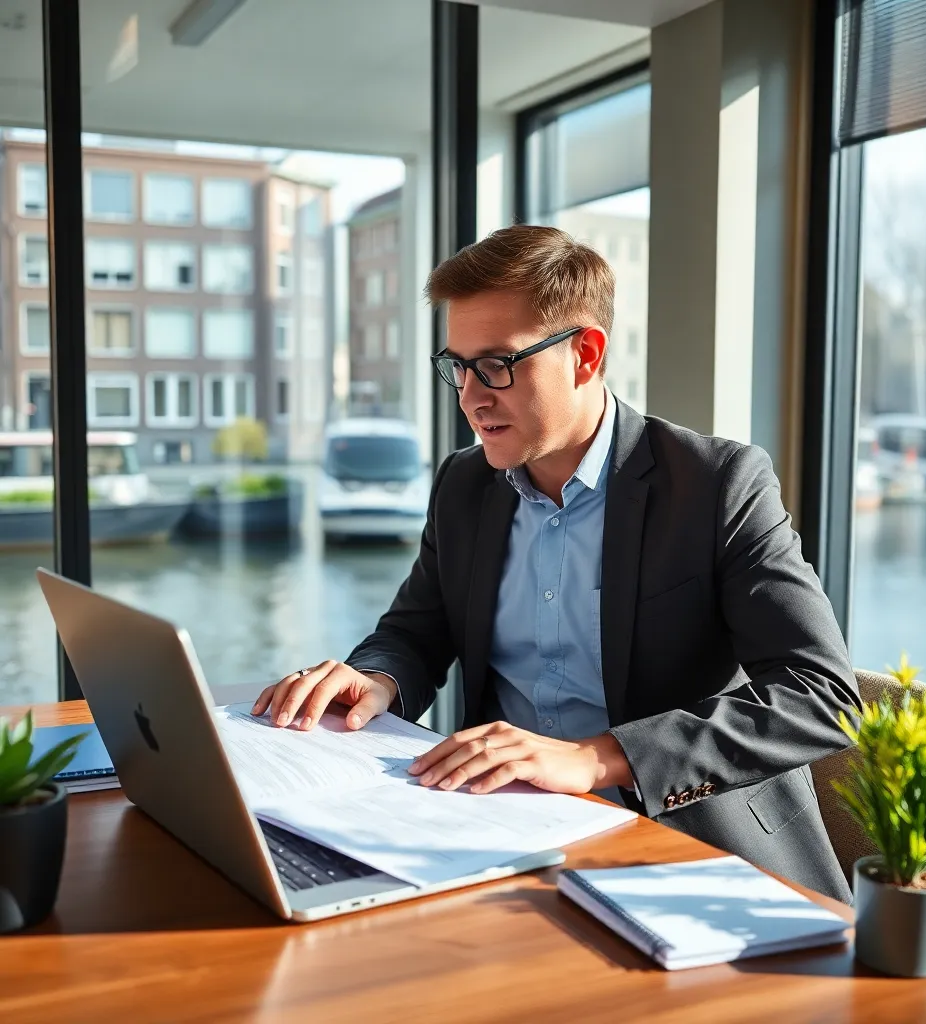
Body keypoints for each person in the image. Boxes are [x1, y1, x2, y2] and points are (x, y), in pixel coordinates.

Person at [253, 224, 861, 902]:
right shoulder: (464, 484)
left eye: (496, 365)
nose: (471, 398)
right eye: (457, 366)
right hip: (499, 835)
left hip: (688, 851)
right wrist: (375, 679)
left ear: (585, 355)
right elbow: (418, 631)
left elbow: (823, 698)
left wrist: (597, 758)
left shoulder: (717, 484)